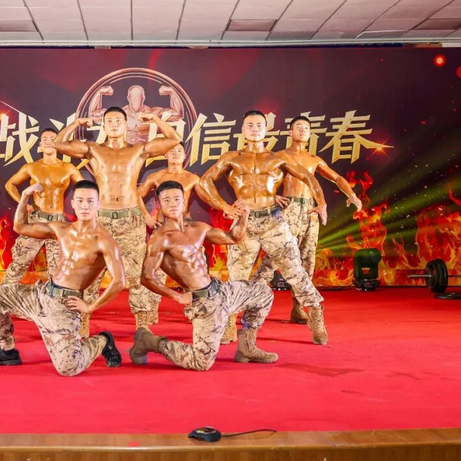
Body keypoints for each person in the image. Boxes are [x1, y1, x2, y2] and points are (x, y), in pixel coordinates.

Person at [197, 110, 329, 345]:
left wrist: (321, 203)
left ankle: (316, 314)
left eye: (259, 125)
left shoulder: (278, 158)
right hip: (244, 223)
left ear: (266, 129)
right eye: (250, 125)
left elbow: (309, 178)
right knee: (237, 276)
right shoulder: (232, 158)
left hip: (273, 222)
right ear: (242, 130)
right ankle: (230, 324)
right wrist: (224, 206)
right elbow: (204, 182)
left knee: (295, 271)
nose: (255, 129)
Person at [0, 180, 124, 376]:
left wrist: (90, 307)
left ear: (99, 204)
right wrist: (25, 196)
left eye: (90, 201)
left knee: (68, 368)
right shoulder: (62, 229)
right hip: (41, 294)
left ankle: (103, 340)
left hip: (64, 305)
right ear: (73, 203)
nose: (85, 206)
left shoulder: (104, 240)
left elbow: (119, 281)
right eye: (80, 201)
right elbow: (21, 227)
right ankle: (7, 350)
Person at [54, 106, 181, 330]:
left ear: (126, 125)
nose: (114, 125)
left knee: (138, 275)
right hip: (100, 220)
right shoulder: (93, 149)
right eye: (109, 121)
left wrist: (154, 119)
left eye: (118, 121)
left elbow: (174, 139)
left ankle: (143, 330)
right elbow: (59, 144)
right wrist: (76, 123)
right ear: (104, 126)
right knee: (89, 273)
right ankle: (80, 327)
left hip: (130, 219)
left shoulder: (139, 149)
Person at [130, 180, 275, 371]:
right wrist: (177, 296)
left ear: (184, 201)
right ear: (159, 203)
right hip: (202, 303)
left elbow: (234, 237)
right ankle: (148, 340)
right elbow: (146, 277)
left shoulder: (198, 228)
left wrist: (244, 216)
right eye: (167, 200)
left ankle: (246, 347)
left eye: (177, 199)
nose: (173, 204)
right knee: (201, 362)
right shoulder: (160, 239)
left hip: (220, 290)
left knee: (263, 293)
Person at [253, 116, 363, 323]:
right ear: (290, 132)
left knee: (307, 260)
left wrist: (351, 194)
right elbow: (260, 178)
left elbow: (337, 178)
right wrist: (271, 196)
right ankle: (252, 305)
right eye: (298, 127)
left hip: (310, 211)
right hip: (288, 208)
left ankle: (298, 309)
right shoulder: (280, 156)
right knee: (274, 257)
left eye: (306, 127)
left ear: (310, 133)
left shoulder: (314, 159)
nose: (302, 130)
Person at [2, 128, 83, 285]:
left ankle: (54, 299)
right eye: (44, 139)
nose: (48, 142)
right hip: (36, 220)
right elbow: (9, 184)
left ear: (58, 143)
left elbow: (86, 188)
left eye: (52, 139)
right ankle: (1, 296)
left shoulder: (68, 168)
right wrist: (23, 202)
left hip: (58, 223)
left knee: (58, 269)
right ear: (40, 144)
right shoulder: (31, 167)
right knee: (19, 263)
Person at [136, 143, 200, 325]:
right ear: (165, 154)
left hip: (185, 229)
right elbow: (136, 194)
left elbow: (208, 196)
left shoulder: (192, 178)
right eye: (171, 150)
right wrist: (146, 216)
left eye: (179, 150)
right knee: (154, 270)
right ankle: (149, 313)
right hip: (162, 228)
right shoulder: (156, 176)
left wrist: (226, 208)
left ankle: (196, 310)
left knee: (193, 271)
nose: (175, 153)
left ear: (185, 155)